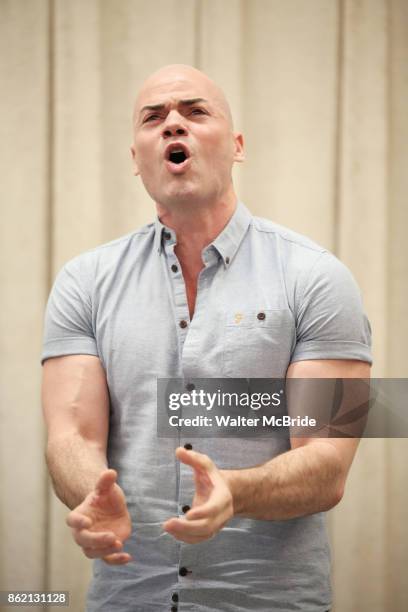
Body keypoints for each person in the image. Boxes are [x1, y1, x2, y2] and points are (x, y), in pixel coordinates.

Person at [41, 64, 372, 612]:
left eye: (195, 111)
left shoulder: (317, 277)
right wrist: (91, 492)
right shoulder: (85, 282)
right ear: (135, 159)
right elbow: (70, 435)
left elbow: (327, 465)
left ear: (237, 146)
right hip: (129, 595)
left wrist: (234, 492)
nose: (173, 124)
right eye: (154, 118)